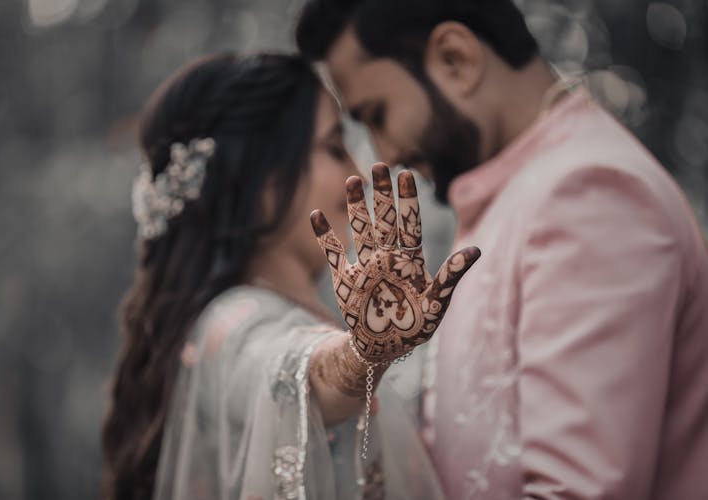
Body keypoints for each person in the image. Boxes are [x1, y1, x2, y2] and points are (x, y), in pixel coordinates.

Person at [295, 1, 708, 498]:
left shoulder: (589, 192)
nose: (386, 155)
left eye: (377, 115)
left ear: (455, 58)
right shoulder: (516, 189)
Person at [101, 53, 480, 500]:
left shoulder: (267, 313)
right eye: (335, 148)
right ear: (263, 181)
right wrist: (361, 355)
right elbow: (283, 367)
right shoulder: (230, 322)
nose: (356, 174)